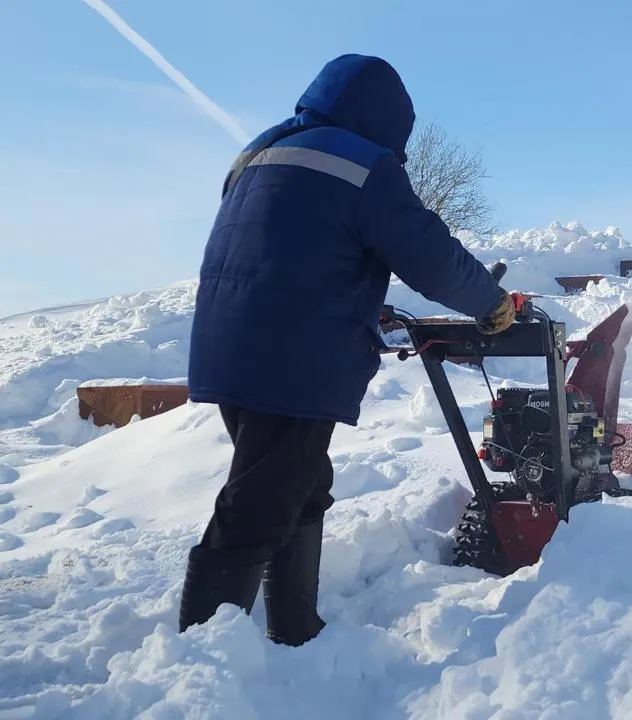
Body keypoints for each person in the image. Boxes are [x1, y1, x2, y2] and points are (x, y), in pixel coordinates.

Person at [178, 54, 516, 646]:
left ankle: (295, 632)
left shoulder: (258, 153)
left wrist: (359, 301)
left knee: (298, 484)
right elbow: (427, 253)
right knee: (260, 503)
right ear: (385, 118)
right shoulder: (364, 165)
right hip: (293, 360)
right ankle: (200, 666)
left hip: (231, 347)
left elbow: (286, 246)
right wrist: (491, 303)